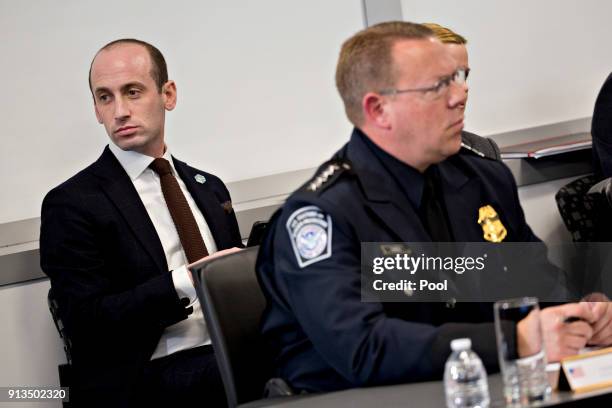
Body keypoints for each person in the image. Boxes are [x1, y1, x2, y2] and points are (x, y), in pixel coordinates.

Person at [256, 21, 612, 393]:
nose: (461, 94)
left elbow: (537, 284)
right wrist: (513, 340)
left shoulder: (483, 179)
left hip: (471, 386)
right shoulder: (322, 214)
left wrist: (578, 317)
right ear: (379, 109)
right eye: (439, 85)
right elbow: (364, 348)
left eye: (458, 77)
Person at [40, 39, 242, 407]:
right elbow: (84, 323)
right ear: (96, 110)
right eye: (105, 97)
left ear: (168, 94)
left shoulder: (209, 188)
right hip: (149, 374)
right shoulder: (72, 203)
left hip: (230, 349)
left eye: (132, 92)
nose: (119, 111)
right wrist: (186, 280)